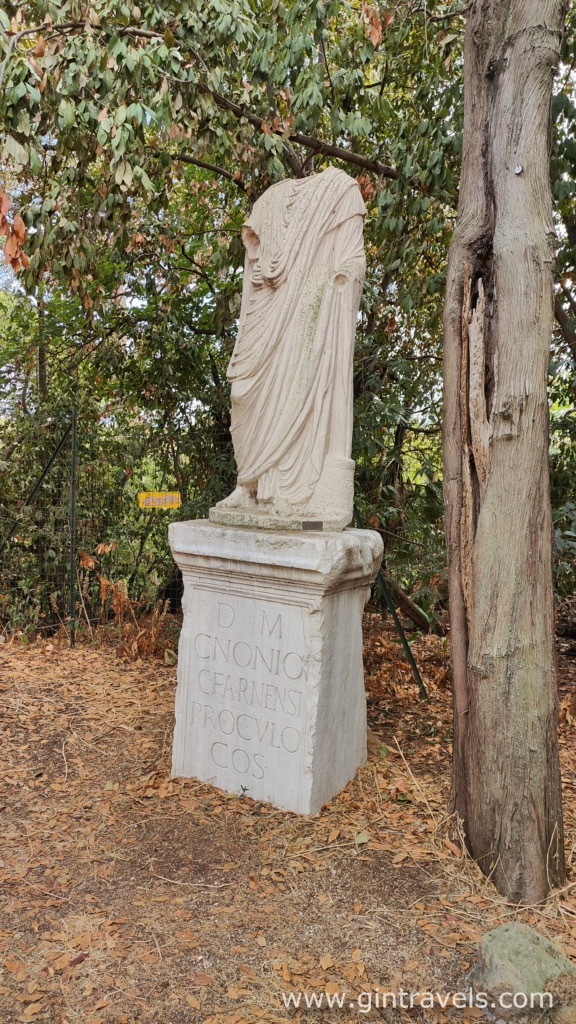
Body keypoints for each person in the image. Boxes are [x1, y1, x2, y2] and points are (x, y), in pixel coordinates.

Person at [213, 165, 366, 529]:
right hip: (266, 313)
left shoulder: (340, 191)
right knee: (242, 392)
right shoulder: (270, 200)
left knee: (299, 390)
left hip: (307, 312)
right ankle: (247, 483)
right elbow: (254, 255)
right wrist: (256, 269)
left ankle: (290, 493)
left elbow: (353, 257)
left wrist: (340, 280)